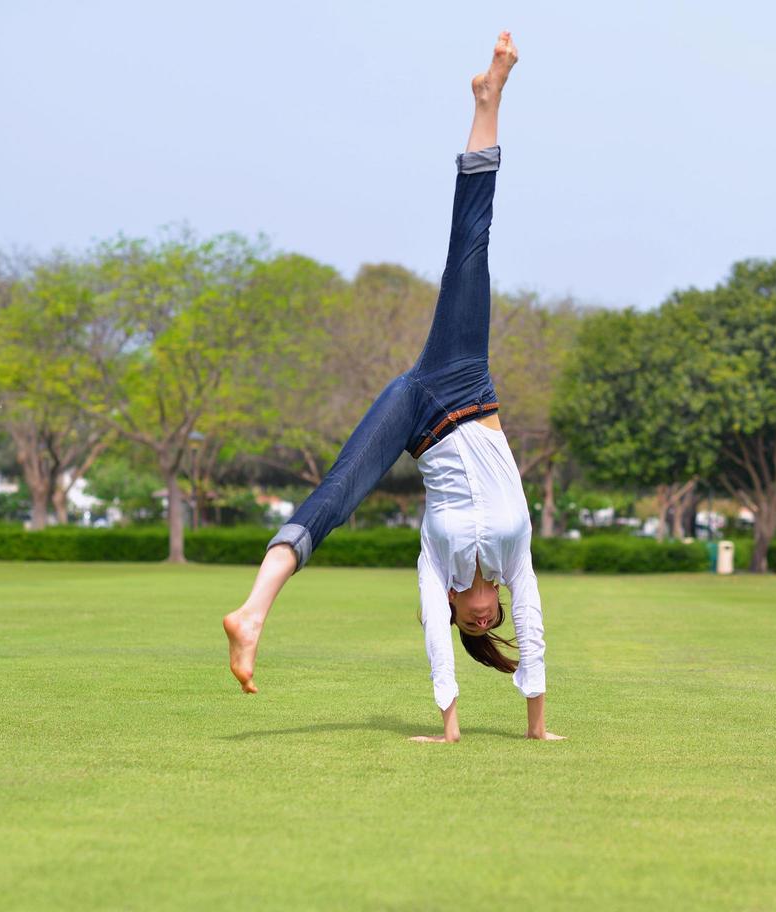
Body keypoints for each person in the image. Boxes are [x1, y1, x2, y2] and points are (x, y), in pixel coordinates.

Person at [223, 32, 562, 742]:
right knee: (469, 243)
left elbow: (438, 642)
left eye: (476, 624)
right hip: (464, 384)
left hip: (416, 415)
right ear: (495, 598)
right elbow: (532, 626)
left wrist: (449, 727)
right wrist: (536, 726)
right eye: (489, 617)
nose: (485, 620)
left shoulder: (433, 567)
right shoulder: (515, 559)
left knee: (337, 494)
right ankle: (489, 98)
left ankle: (252, 611)